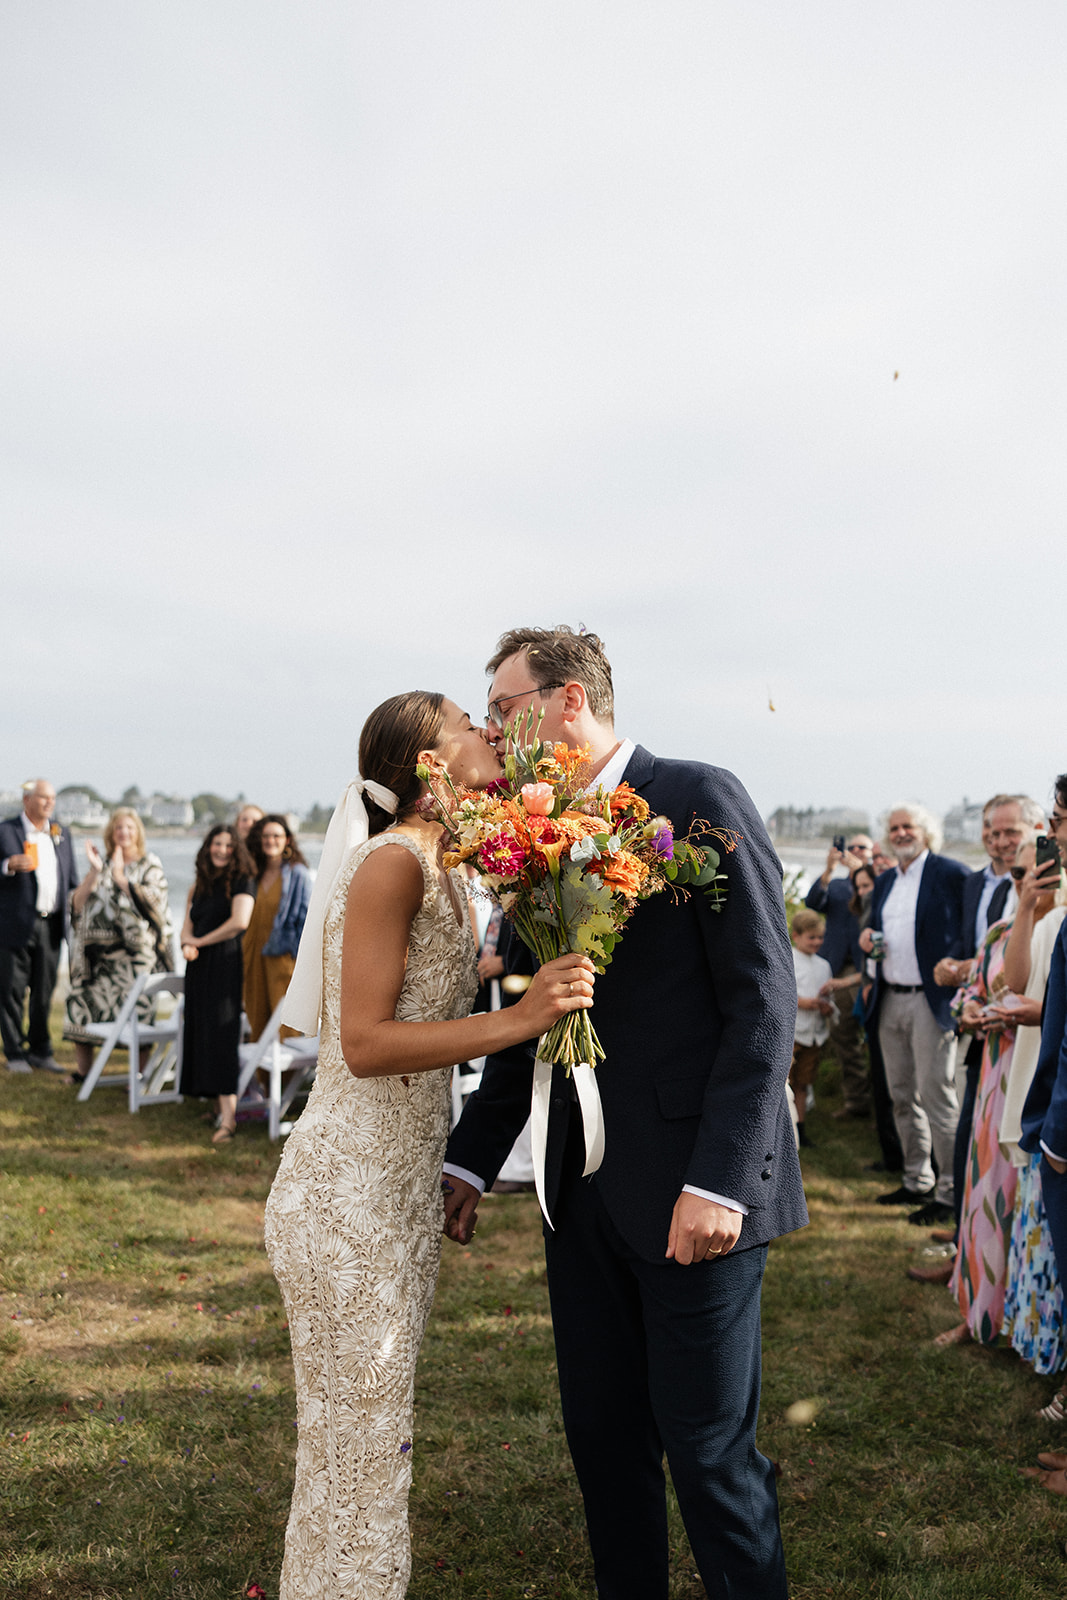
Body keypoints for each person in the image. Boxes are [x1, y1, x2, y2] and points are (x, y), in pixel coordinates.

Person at [443, 626, 807, 1600]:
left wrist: (719, 1178)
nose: (492, 730)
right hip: (577, 1192)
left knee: (707, 1452)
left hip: (696, 1186)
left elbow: (762, 1001)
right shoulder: (528, 834)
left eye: (503, 709)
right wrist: (470, 1160)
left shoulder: (696, 797)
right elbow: (529, 1016)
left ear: (568, 703)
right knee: (601, 1438)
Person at [263, 691, 592, 1600]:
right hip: (345, 1193)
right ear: (427, 766)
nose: (490, 731)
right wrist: (519, 1018)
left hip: (401, 1189)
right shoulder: (390, 866)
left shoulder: (452, 871)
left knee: (365, 1439)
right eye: (466, 723)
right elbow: (363, 1044)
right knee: (355, 1442)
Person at [859, 804, 969, 1226]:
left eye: (909, 826)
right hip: (889, 997)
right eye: (894, 828)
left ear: (926, 832)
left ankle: (951, 1191)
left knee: (936, 1096)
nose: (901, 833)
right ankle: (916, 1179)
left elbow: (968, 931)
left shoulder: (952, 873)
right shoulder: (885, 880)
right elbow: (879, 931)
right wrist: (868, 938)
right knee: (900, 1095)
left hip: (931, 999)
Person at [997, 830, 1067, 1380]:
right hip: (1031, 1075)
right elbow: (1010, 981)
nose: (1033, 876)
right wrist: (1025, 906)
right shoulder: (1043, 921)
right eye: (1020, 874)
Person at [64, 808, 173, 1082]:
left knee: (139, 1012)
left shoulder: (149, 864)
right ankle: (83, 1073)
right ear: (111, 833)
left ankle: (139, 1077)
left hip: (135, 957)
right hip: (97, 958)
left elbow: (155, 904)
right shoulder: (101, 864)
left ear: (138, 832)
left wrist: (122, 878)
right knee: (82, 1002)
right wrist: (95, 871)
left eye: (129, 828)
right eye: (118, 828)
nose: (124, 833)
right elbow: (76, 905)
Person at [179, 825, 256, 1143]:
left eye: (228, 844)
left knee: (222, 1036)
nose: (222, 849)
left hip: (224, 964)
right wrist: (187, 942)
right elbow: (186, 924)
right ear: (207, 847)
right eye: (216, 844)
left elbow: (239, 922)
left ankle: (229, 1119)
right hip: (198, 968)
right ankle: (213, 1106)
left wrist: (200, 941)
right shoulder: (200, 883)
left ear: (236, 849)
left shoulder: (242, 881)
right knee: (200, 1032)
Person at [0, 779, 79, 1073]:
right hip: (13, 925)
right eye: (43, 798)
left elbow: (71, 878)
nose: (50, 803)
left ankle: (41, 1050)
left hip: (52, 924)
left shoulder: (61, 833)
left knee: (45, 990)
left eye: (53, 799)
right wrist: (7, 866)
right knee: (11, 990)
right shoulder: (5, 830)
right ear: (26, 800)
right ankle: (15, 1053)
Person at [805, 833, 874, 1117]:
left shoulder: (876, 883)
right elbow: (813, 902)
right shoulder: (834, 884)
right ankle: (855, 1101)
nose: (855, 850)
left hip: (864, 969)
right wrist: (829, 868)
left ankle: (879, 1104)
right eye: (852, 846)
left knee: (873, 1038)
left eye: (862, 847)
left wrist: (860, 872)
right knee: (844, 1036)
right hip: (836, 967)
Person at [243, 815, 312, 1041]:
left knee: (286, 1024)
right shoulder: (254, 873)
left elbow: (306, 918)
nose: (270, 840)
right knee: (257, 1019)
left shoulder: (297, 873)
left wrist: (302, 961)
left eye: (276, 836)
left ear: (287, 841)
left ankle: (290, 1076)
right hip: (252, 956)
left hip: (282, 956)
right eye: (266, 836)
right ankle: (263, 1077)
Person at [789, 910, 833, 1148]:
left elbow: (830, 998)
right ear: (796, 936)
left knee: (803, 1083)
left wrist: (828, 1008)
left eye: (820, 938)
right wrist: (801, 1002)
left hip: (814, 1036)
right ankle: (783, 1130)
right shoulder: (789, 959)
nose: (817, 942)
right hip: (794, 1033)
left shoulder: (824, 966)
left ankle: (801, 1130)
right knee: (785, 1083)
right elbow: (784, 993)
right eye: (811, 937)